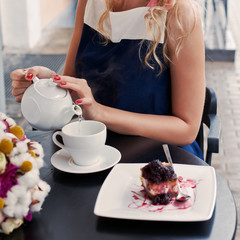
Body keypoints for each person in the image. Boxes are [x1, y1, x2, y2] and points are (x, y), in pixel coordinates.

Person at [10, 0, 206, 159]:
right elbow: (73, 87)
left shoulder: (179, 13)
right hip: (89, 151)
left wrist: (100, 113)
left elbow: (187, 128)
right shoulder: (88, 3)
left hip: (159, 159)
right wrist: (49, 83)